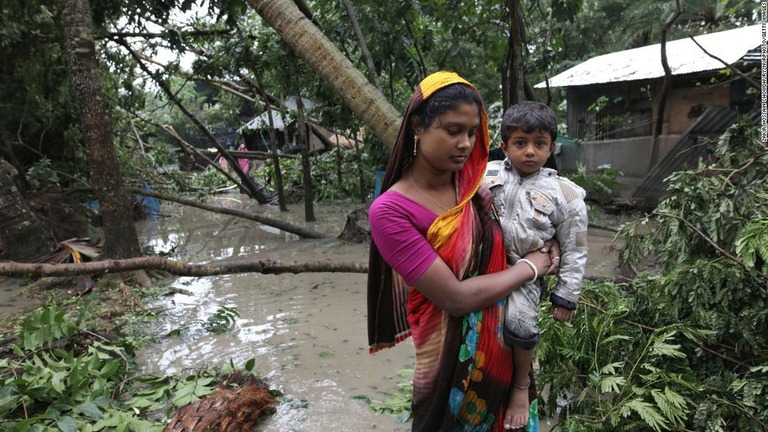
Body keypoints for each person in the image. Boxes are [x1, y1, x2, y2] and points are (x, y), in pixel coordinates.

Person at [367, 71, 560, 431]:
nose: (466, 143)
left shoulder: (478, 189)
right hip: (447, 367)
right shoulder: (390, 212)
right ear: (417, 127)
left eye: (472, 132)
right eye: (453, 130)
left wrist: (552, 247)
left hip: (505, 350)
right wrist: (531, 268)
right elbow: (454, 298)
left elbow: (524, 236)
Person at [484, 100, 588, 429]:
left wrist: (566, 296)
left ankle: (520, 386)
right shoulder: (484, 175)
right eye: (520, 143)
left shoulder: (565, 194)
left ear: (551, 147)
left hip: (527, 277)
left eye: (539, 144)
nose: (530, 151)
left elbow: (574, 247)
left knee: (521, 325)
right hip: (483, 267)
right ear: (504, 146)